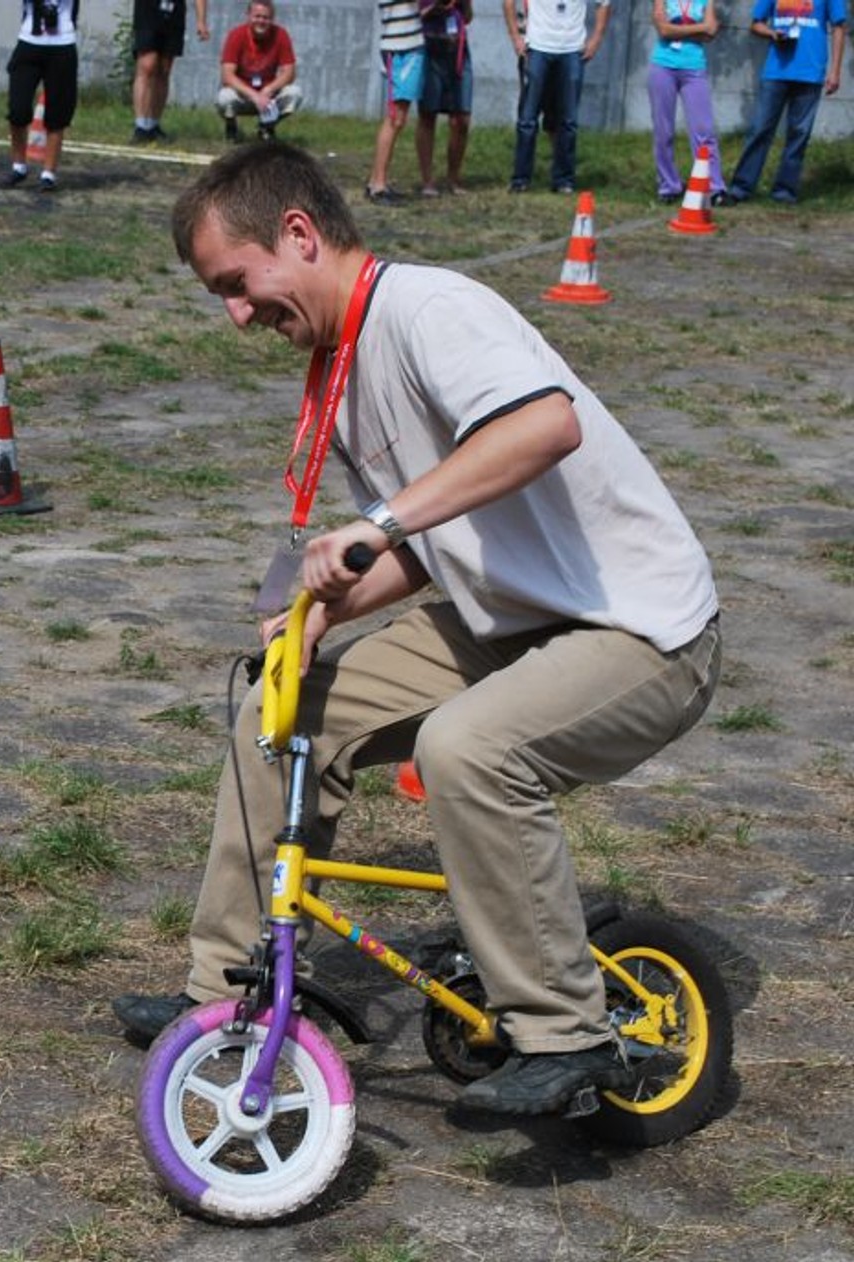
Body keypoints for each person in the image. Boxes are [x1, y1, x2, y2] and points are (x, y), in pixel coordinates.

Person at [113, 144, 721, 1118]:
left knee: (466, 747)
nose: (233, 314)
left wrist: (377, 523)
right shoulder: (340, 365)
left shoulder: (430, 309)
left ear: (299, 236)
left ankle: (565, 1028)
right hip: (505, 617)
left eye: (236, 283)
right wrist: (315, 609)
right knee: (286, 707)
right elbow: (430, 541)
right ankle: (225, 988)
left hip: (640, 629)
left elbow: (541, 428)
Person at [722, 0, 847, 205]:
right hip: (776, 71)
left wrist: (834, 71)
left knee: (799, 134)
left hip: (810, 71)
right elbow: (756, 24)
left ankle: (784, 191)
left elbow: (839, 27)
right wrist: (772, 33)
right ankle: (740, 188)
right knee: (760, 129)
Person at [504, 0, 610, 193]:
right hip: (537, 48)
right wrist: (515, 38)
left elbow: (603, 4)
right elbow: (509, 2)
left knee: (568, 121)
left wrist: (596, 39)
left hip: (572, 50)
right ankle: (520, 179)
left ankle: (564, 179)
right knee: (527, 119)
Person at [648, 0, 725, 204]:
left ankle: (714, 187)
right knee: (663, 131)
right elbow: (663, 30)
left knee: (704, 130)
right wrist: (699, 28)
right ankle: (669, 186)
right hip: (663, 66)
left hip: (694, 68)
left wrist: (678, 30)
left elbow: (712, 33)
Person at [4, 0, 80, 192]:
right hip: (29, 41)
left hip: (62, 42)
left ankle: (48, 174)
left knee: (57, 113)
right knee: (17, 109)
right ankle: (18, 166)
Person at [365, 0, 426, 205]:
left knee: (397, 118)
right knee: (395, 118)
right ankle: (378, 186)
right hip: (400, 48)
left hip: (409, 45)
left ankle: (376, 181)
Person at [217, 0, 303, 144]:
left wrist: (268, 90)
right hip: (243, 95)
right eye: (257, 16)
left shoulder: (281, 35)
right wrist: (255, 96)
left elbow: (289, 72)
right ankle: (231, 127)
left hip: (268, 96)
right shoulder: (236, 35)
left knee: (295, 93)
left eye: (266, 17)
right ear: (248, 16)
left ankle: (266, 127)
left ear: (272, 19)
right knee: (224, 97)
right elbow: (227, 76)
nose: (261, 21)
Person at [133, 0, 211, 144]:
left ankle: (153, 124)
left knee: (164, 69)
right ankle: (141, 125)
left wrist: (201, 21)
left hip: (174, 9)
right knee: (147, 64)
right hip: (148, 8)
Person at [415, 0, 473, 194]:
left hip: (457, 46)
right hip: (429, 44)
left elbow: (468, 17)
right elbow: (413, 17)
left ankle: (453, 178)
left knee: (461, 118)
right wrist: (433, 8)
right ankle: (427, 180)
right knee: (427, 114)